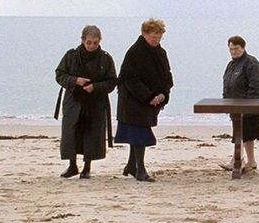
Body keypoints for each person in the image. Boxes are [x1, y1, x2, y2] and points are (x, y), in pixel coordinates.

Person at [115, 18, 174, 182]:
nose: (156, 39)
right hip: (133, 101)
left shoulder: (161, 53)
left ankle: (131, 166)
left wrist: (163, 94)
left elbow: (167, 76)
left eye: (159, 36)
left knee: (138, 134)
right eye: (153, 36)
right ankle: (140, 170)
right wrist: (149, 97)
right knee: (139, 135)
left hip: (152, 101)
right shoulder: (134, 52)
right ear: (144, 34)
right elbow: (129, 79)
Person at [54, 25, 117, 179]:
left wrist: (95, 87)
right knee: (71, 133)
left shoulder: (105, 58)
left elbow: (112, 81)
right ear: (83, 40)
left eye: (95, 43)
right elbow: (59, 75)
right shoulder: (71, 56)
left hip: (95, 102)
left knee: (92, 134)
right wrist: (75, 80)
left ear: (99, 41)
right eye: (89, 42)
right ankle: (72, 165)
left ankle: (87, 167)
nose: (92, 46)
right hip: (73, 100)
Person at [219, 35, 259, 173]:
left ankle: (240, 160)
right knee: (241, 134)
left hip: (249, 106)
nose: (233, 52)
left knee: (245, 133)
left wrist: (247, 105)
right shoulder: (231, 64)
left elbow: (255, 85)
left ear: (243, 47)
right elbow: (227, 83)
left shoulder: (251, 62)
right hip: (234, 106)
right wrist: (226, 101)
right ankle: (247, 161)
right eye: (231, 49)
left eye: (236, 49)